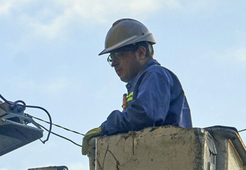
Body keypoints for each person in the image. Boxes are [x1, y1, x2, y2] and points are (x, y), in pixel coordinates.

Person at [82, 18, 192, 155]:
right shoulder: (142, 82)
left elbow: (144, 114)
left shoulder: (155, 75)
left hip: (167, 157)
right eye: (111, 58)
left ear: (141, 52)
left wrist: (107, 127)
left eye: (119, 55)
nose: (114, 63)